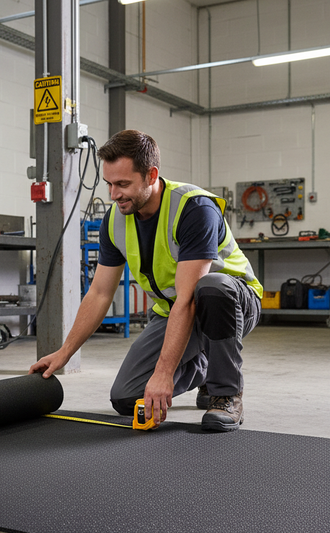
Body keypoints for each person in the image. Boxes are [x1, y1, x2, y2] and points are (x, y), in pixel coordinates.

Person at [29, 129, 262, 432]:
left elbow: (188, 297)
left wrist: (165, 373)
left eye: (123, 184)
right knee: (127, 398)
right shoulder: (114, 221)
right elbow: (99, 293)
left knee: (211, 287)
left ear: (151, 175)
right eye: (109, 184)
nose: (114, 194)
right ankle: (206, 369)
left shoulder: (194, 209)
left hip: (231, 302)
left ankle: (226, 394)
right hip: (172, 311)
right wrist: (64, 352)